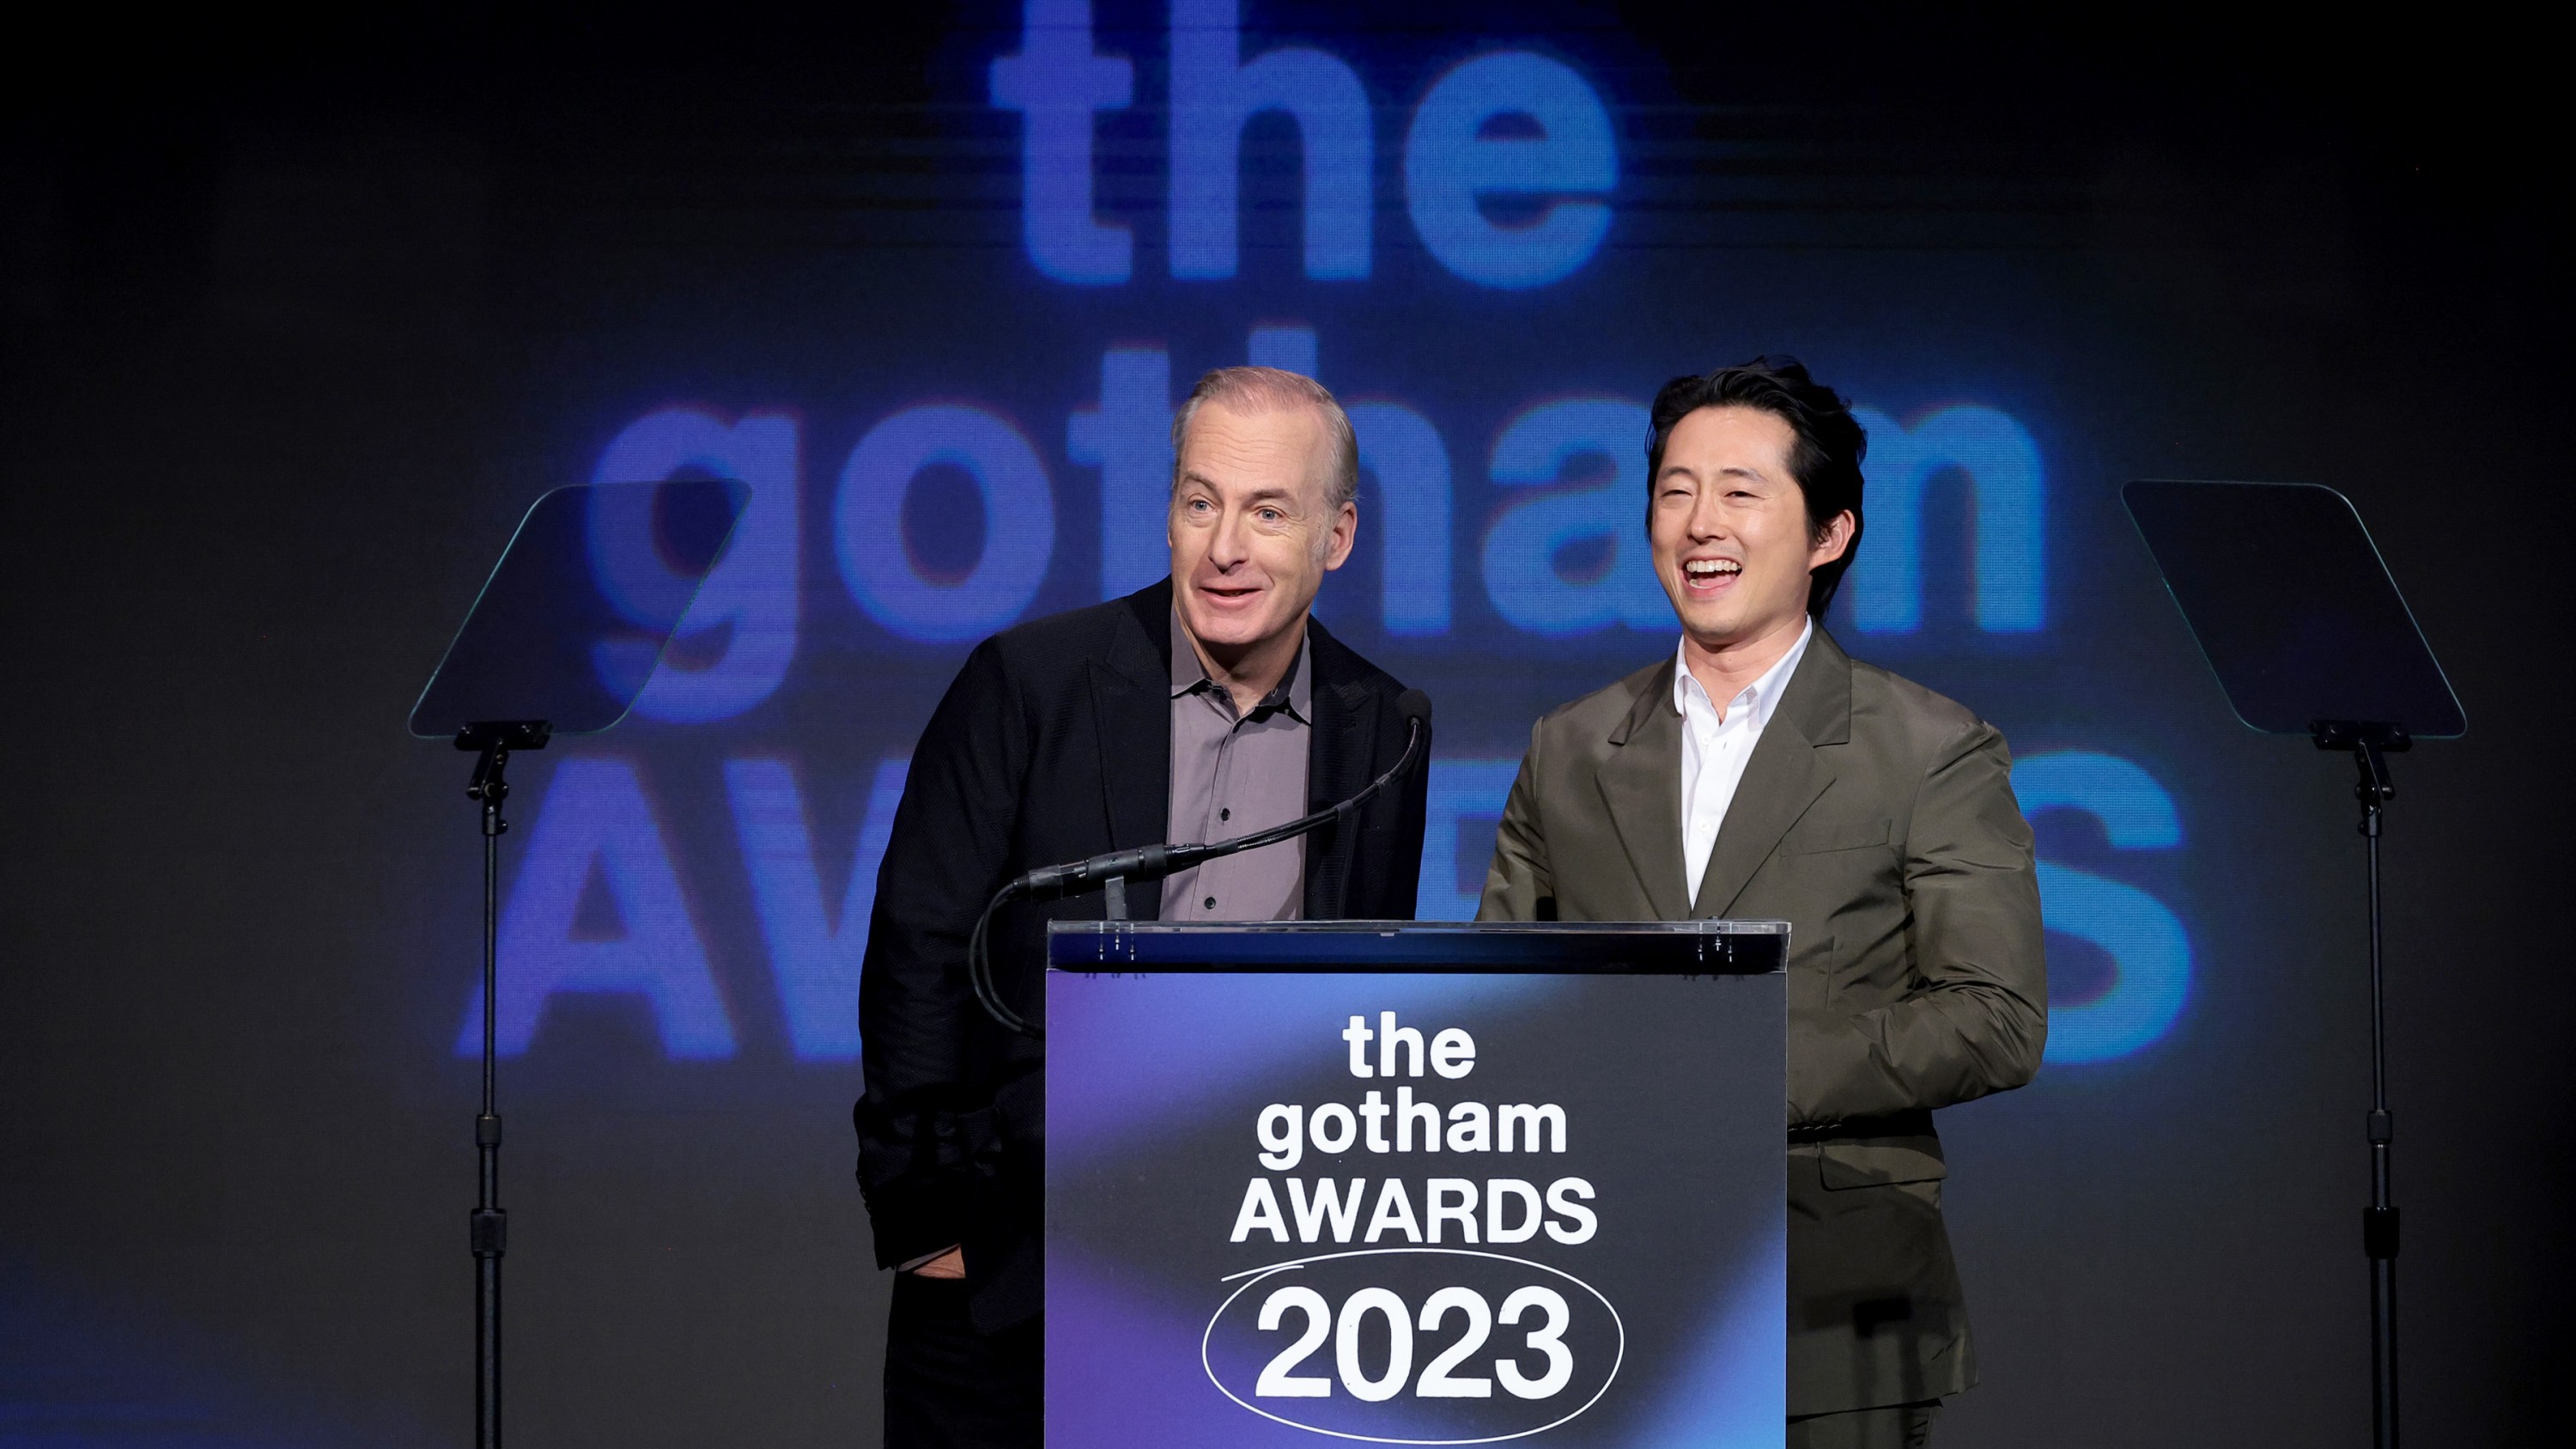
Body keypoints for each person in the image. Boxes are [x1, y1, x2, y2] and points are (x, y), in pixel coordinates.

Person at [854, 365, 1432, 1448]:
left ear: (1338, 535)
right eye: (1200, 501)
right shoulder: (1030, 681)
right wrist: (931, 1223)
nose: (1226, 546)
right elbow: (920, 943)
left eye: (1269, 511)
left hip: (1254, 1292)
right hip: (1012, 1271)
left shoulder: (1384, 727)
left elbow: (1366, 997)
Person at [1477, 356, 2046, 1448]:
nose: (1700, 522)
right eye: (1676, 489)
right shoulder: (1572, 745)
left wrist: (1737, 1068)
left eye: (1741, 491)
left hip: (1830, 1295)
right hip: (1593, 1294)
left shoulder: (1930, 747)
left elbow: (1997, 1016)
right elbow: (1502, 997)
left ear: (1829, 534)